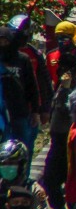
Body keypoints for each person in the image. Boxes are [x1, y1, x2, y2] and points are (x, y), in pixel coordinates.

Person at [0, 25, 41, 155]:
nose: (3, 45)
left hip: (20, 112)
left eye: (6, 41)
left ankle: (23, 174)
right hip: (1, 114)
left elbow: (32, 87)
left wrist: (35, 111)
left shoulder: (22, 59)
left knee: (23, 148)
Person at [0, 140, 47, 209]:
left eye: (11, 163)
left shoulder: (34, 191)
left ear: (22, 165)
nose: (6, 167)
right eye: (3, 164)